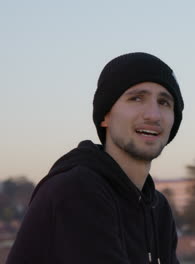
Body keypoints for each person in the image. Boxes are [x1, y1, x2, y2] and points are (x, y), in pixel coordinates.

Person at [7, 52, 184, 264]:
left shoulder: (158, 209)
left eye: (165, 102)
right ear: (105, 116)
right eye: (136, 98)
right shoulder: (76, 190)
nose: (153, 115)